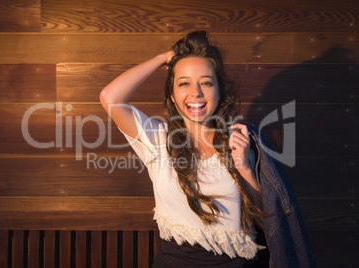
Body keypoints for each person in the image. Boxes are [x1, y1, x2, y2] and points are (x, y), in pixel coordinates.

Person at [100, 31, 316, 267]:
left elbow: (271, 225)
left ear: (219, 91)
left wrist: (245, 170)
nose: (196, 93)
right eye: (184, 83)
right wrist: (165, 56)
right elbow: (110, 96)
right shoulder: (157, 140)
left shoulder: (241, 140)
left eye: (205, 82)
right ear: (172, 96)